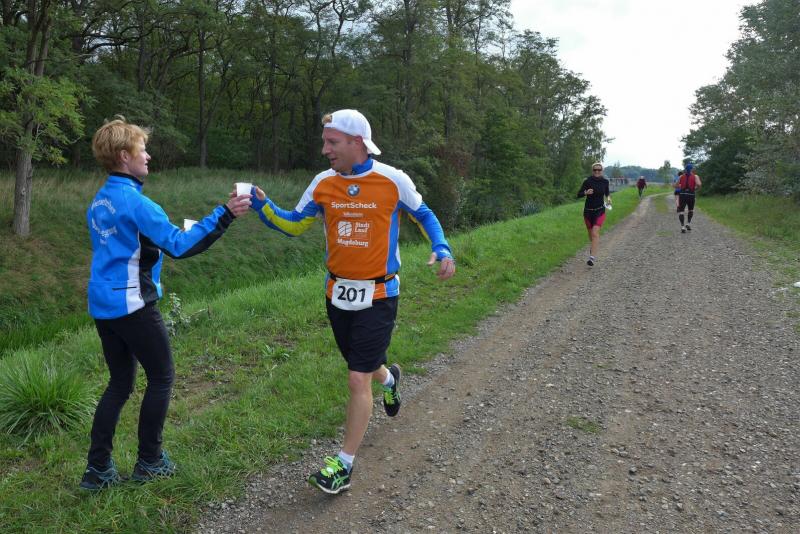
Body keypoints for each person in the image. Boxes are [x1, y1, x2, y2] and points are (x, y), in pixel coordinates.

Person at [249, 109, 455, 494]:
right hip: (337, 293)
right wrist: (263, 206)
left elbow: (424, 215)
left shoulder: (393, 179)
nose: (325, 149)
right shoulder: (323, 183)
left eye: (332, 142)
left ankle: (343, 466)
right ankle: (390, 379)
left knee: (357, 376)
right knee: (364, 364)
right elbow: (294, 224)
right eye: (325, 142)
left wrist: (442, 248)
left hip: (380, 293)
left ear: (357, 142)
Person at [80, 117, 252, 491]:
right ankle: (150, 461)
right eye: (142, 150)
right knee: (161, 377)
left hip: (103, 304)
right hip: (133, 304)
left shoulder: (100, 200)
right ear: (124, 156)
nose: (148, 156)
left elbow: (134, 245)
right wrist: (225, 214)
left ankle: (97, 470)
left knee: (119, 384)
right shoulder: (138, 204)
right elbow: (179, 245)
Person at [577, 163, 612, 266]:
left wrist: (609, 199)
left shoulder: (605, 182)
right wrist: (586, 193)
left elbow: (607, 193)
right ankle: (593, 247)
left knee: (595, 233)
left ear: (602, 171)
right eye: (595, 170)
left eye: (599, 170)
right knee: (591, 234)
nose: (597, 171)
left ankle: (592, 258)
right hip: (588, 211)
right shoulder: (587, 181)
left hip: (599, 210)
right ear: (592, 171)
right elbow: (578, 194)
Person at [677, 164, 702, 233]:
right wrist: (696, 188)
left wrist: (681, 187)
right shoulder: (695, 176)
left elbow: (676, 185)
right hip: (691, 195)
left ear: (685, 169)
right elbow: (699, 184)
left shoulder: (681, 176)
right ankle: (688, 223)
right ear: (692, 169)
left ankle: (682, 227)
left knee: (681, 211)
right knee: (690, 210)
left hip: (682, 195)